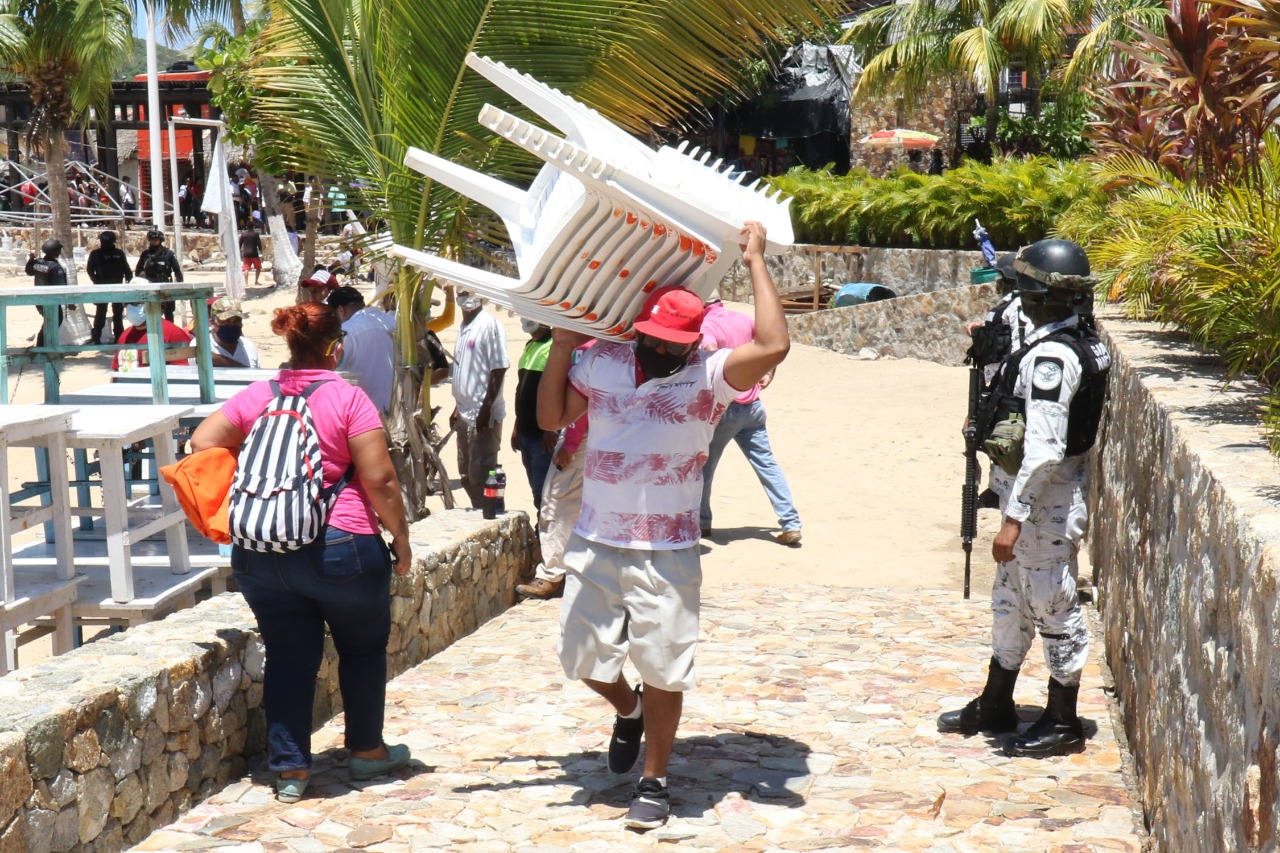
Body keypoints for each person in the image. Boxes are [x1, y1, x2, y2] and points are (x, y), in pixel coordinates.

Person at [536, 221, 789, 830]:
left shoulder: (711, 374)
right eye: (657, 339)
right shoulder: (603, 364)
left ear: (692, 339)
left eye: (677, 342)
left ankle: (654, 780)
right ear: (642, 330)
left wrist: (754, 261)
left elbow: (775, 345)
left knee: (664, 664)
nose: (665, 351)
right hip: (596, 538)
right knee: (584, 659)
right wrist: (564, 346)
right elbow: (549, 417)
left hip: (669, 548)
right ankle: (628, 711)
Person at [190, 302, 413, 803]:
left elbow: (202, 442)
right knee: (361, 647)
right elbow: (379, 478)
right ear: (336, 348)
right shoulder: (349, 399)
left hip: (261, 551)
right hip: (341, 545)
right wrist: (399, 538)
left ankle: (290, 771)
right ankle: (366, 752)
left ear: (289, 345)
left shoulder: (257, 396)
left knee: (289, 654)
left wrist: (265, 481)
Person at [937, 238, 1110, 758]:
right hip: (1035, 497)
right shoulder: (1074, 338)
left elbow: (1044, 449)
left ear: (1045, 297)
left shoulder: (1054, 355)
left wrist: (1012, 518)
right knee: (1010, 601)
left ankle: (1063, 719)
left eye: (1029, 292)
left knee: (1053, 603)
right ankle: (997, 700)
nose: (1022, 300)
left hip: (1045, 502)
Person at [698, 295, 802, 545]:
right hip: (753, 406)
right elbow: (773, 343)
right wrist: (769, 371)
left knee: (704, 467)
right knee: (767, 465)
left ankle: (701, 523)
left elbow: (709, 350)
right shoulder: (742, 319)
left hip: (726, 408)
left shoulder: (707, 325)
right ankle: (791, 522)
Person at [968, 253, 1034, 508]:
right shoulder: (1027, 304)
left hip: (1007, 387)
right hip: (1018, 382)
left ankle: (1000, 492)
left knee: (999, 439)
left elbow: (1007, 353)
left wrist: (994, 392)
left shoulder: (1009, 308)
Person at [516, 400, 589, 601]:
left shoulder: (584, 366)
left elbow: (584, 396)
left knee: (556, 506)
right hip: (592, 434)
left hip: (580, 436)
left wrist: (570, 443)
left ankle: (551, 575)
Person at [450, 291, 508, 507]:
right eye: (461, 292)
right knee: (466, 473)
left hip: (482, 416)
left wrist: (486, 408)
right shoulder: (464, 327)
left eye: (470, 292)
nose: (466, 297)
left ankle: (493, 514)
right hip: (464, 413)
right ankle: (480, 511)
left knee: (483, 474)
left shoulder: (489, 325)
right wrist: (456, 408)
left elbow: (499, 368)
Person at [326, 286, 394, 414]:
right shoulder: (390, 321)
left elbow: (329, 369)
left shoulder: (346, 331)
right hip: (396, 410)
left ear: (341, 310)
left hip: (363, 414)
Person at [511, 321, 556, 508]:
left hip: (542, 436)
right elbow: (522, 390)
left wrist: (551, 429)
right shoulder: (530, 346)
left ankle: (544, 534)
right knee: (535, 489)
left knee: (543, 492)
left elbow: (556, 388)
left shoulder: (554, 346)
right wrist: (516, 426)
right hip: (525, 433)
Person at [111, 302, 195, 370]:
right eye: (128, 303)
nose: (130, 306)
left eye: (136, 303)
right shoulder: (125, 335)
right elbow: (116, 372)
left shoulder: (172, 333)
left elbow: (184, 372)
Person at [87, 230, 131, 344]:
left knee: (118, 313)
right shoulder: (95, 254)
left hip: (117, 287)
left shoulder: (119, 253)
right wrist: (96, 281)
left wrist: (129, 282)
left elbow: (127, 269)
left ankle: (119, 336)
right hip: (102, 287)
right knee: (101, 312)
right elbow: (90, 270)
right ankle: (96, 336)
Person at [135, 229, 183, 321]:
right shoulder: (145, 254)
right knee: (150, 312)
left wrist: (180, 286)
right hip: (149, 286)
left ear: (160, 240)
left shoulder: (168, 254)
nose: (153, 241)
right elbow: (138, 270)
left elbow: (177, 271)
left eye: (156, 239)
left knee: (168, 312)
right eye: (151, 239)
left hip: (165, 286)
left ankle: (170, 332)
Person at [26, 238, 66, 347]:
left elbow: (29, 272)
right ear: (56, 252)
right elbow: (61, 287)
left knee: (49, 321)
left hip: (39, 299)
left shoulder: (37, 262)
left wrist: (31, 260)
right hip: (51, 300)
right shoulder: (55, 267)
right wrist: (68, 302)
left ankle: (44, 345)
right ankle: (43, 346)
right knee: (55, 320)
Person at [209, 297, 261, 368]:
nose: (232, 325)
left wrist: (220, 360)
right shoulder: (202, 345)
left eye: (236, 321)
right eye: (226, 321)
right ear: (212, 323)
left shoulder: (248, 346)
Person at [240, 220, 264, 288]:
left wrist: (239, 252)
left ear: (246, 227)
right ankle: (256, 281)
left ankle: (246, 283)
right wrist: (261, 252)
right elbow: (259, 244)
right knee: (258, 267)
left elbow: (240, 244)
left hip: (246, 254)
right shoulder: (255, 234)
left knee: (246, 268)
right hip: (254, 253)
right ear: (253, 227)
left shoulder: (243, 234)